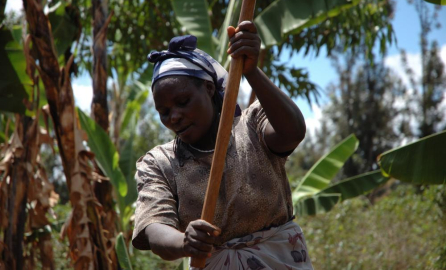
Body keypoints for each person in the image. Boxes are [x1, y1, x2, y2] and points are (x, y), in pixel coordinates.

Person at [132, 21, 313, 269]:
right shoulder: (159, 163)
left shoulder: (253, 125)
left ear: (208, 88)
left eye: (183, 101)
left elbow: (292, 132)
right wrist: (185, 241)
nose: (173, 117)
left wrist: (251, 71)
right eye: (163, 111)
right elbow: (153, 227)